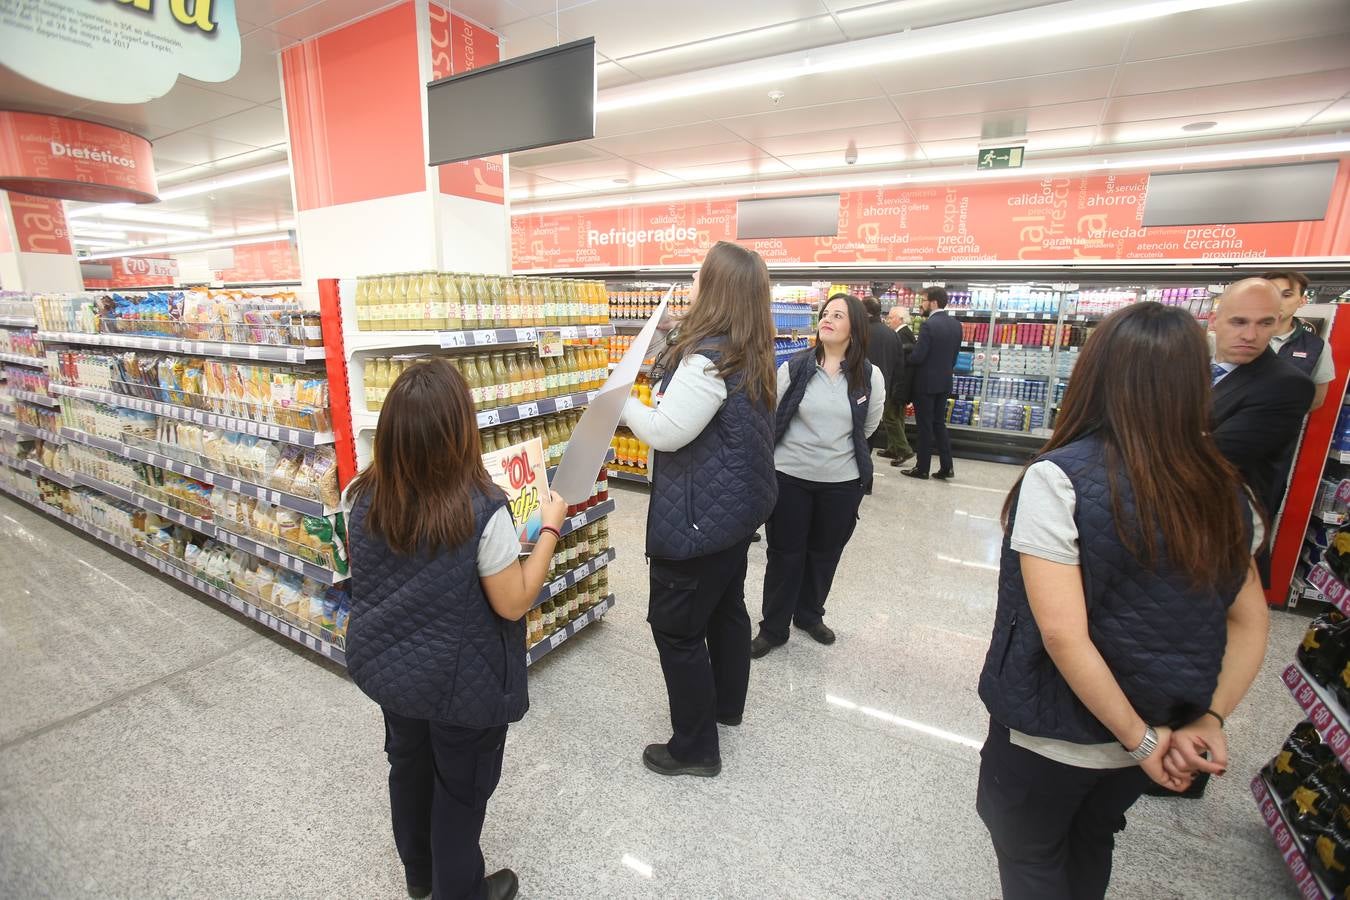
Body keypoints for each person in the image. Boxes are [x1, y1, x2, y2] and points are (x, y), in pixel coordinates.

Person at [976, 302, 1270, 900]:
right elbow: (1249, 620)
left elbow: (1062, 634)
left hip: (1057, 732)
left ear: (1096, 373)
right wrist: (1204, 720)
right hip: (1157, 729)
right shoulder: (1224, 489)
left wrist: (1140, 740)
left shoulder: (1060, 479)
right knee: (1094, 837)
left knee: (1030, 853)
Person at [344, 358, 567, 900]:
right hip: (461, 683)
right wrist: (551, 531)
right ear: (461, 433)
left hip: (391, 672)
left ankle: (420, 879)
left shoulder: (360, 492)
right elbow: (512, 602)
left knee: (408, 769)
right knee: (459, 793)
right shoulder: (482, 511)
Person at [621, 240, 779, 778]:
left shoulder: (708, 360)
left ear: (717, 288)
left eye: (698, 274)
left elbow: (666, 433)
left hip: (696, 520)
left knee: (678, 630)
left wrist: (621, 399)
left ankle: (695, 748)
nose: (691, 280)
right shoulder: (750, 351)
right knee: (726, 610)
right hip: (733, 515)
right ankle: (726, 708)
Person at [753, 293, 886, 658]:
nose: (827, 319)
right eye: (825, 314)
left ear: (854, 328)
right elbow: (773, 416)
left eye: (837, 315)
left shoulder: (869, 376)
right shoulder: (794, 368)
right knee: (785, 554)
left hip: (841, 483)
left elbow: (869, 426)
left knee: (824, 553)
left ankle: (809, 615)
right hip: (790, 477)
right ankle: (773, 626)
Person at [1209, 278, 1315, 539]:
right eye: (1239, 321)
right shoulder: (1190, 367)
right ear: (1214, 320)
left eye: (1265, 323)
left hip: (1225, 533)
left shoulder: (1287, 385)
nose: (1250, 335)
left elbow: (1213, 457)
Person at [903, 286, 962, 480]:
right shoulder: (956, 325)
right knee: (939, 424)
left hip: (926, 384)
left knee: (925, 426)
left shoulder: (929, 325)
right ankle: (947, 466)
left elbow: (918, 357)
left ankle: (922, 468)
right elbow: (953, 358)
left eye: (924, 300)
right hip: (945, 382)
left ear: (933, 302)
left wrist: (906, 355)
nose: (922, 304)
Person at [1265, 270, 1335, 411]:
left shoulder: (1316, 347)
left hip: (1280, 429)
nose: (1277, 301)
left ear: (1302, 301)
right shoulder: (1235, 337)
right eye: (1270, 295)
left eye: (1286, 295)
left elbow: (1317, 398)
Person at [862, 296, 903, 477]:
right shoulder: (892, 334)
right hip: (883, 391)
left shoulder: (859, 332)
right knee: (871, 434)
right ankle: (868, 478)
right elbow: (899, 366)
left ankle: (860, 476)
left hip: (858, 389)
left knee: (857, 435)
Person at [880, 305, 917, 465]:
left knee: (890, 417)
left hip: (898, 384)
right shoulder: (903, 334)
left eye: (891, 318)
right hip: (901, 383)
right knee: (897, 416)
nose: (888, 321)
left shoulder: (903, 335)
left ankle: (904, 450)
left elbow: (902, 362)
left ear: (900, 319)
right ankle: (893, 448)